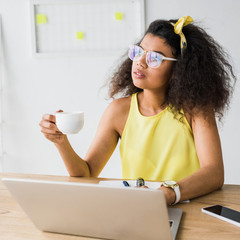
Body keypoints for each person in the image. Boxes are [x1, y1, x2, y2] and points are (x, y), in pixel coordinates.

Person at [39, 16, 235, 205]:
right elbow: (87, 173)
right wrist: (61, 142)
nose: (140, 62)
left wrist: (168, 194)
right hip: (137, 211)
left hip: (187, 209)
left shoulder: (195, 110)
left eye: (154, 58)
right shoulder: (119, 112)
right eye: (138, 52)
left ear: (180, 69)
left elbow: (214, 173)